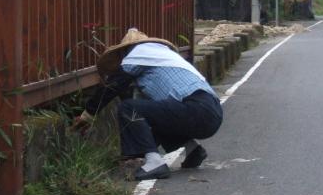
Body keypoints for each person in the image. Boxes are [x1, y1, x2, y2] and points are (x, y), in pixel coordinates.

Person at [73, 28, 223, 181]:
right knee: (155, 112)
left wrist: (88, 114)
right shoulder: (165, 55)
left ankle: (154, 162)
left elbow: (113, 86)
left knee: (128, 108)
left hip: (196, 109)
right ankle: (192, 149)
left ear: (125, 51)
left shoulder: (139, 52)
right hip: (212, 112)